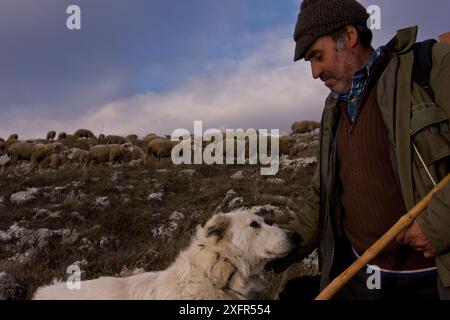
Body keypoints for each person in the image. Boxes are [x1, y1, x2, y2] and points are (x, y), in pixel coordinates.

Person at [269, 0, 450, 299]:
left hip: (432, 280)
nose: (315, 73)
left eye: (317, 56)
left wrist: (441, 223)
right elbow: (322, 196)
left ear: (349, 37)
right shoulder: (333, 110)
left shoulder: (430, 66)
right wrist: (272, 247)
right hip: (360, 276)